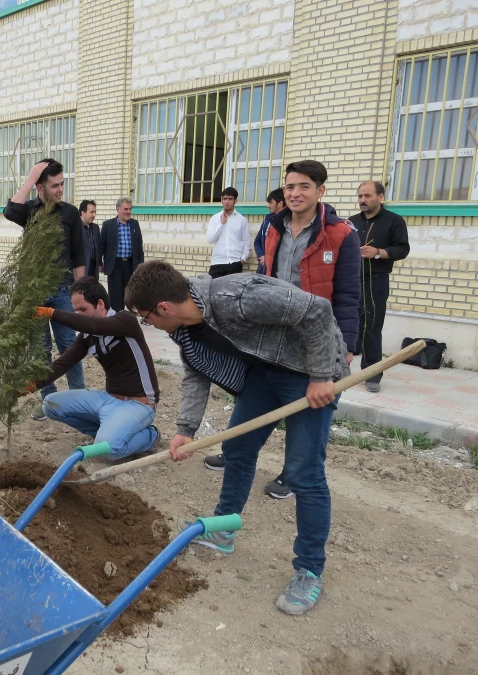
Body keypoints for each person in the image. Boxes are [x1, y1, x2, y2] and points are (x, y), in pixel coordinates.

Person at [126, 261, 348, 616]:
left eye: (146, 317)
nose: (148, 323)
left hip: (308, 371)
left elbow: (317, 311)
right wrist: (185, 429)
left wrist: (322, 375)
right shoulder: (182, 326)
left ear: (163, 308)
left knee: (304, 472)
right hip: (263, 372)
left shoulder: (237, 297)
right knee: (238, 450)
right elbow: (196, 371)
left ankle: (309, 570)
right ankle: (223, 529)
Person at [205, 161, 361, 501]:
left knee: (306, 456)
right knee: (241, 442)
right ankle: (225, 524)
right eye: (290, 187)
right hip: (272, 350)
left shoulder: (342, 235)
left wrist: (346, 346)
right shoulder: (273, 228)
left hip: (316, 353)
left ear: (320, 191)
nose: (295, 193)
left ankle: (294, 477)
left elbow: (349, 297)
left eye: (304, 186)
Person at [28, 277, 159, 459]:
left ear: (100, 304)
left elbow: (95, 324)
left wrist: (53, 313)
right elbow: (61, 364)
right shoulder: (86, 337)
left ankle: (150, 436)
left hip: (138, 404)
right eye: (75, 310)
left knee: (109, 450)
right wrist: (31, 384)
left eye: (83, 309)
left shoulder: (125, 321)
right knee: (50, 404)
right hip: (107, 399)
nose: (79, 315)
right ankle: (107, 432)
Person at [4, 159, 86, 421]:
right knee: (40, 352)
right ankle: (49, 401)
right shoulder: (28, 211)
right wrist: (30, 178)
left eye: (62, 183)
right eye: (54, 185)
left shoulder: (71, 213)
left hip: (62, 291)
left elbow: (78, 256)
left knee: (69, 348)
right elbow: (9, 210)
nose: (60, 189)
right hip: (33, 293)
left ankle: (80, 400)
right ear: (40, 188)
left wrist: (81, 296)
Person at [351, 181, 410, 393]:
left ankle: (372, 375)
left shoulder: (394, 221)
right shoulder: (351, 222)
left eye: (367, 196)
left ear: (380, 197)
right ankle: (339, 370)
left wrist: (378, 252)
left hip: (375, 280)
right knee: (346, 324)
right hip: (350, 280)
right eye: (360, 196)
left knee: (371, 328)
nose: (362, 200)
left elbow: (403, 249)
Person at [100, 198, 145, 311]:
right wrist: (99, 263)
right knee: (115, 294)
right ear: (118, 209)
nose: (128, 212)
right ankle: (116, 316)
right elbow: (101, 246)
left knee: (129, 293)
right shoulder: (108, 225)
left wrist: (141, 264)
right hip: (115, 265)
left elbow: (139, 246)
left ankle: (126, 316)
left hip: (130, 264)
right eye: (126, 209)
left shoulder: (134, 224)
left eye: (130, 209)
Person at [206, 187, 250, 278]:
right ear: (221, 201)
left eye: (230, 199)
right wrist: (221, 224)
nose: (227, 202)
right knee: (213, 291)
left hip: (235, 263)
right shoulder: (215, 219)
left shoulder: (242, 220)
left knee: (233, 292)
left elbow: (246, 243)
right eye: (224, 199)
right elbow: (210, 239)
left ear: (235, 201)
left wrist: (242, 260)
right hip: (217, 263)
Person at [253, 188, 285, 274]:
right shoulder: (267, 220)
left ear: (280, 203)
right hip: (263, 269)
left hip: (277, 271)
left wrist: (268, 259)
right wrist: (261, 256)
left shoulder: (287, 223)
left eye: (271, 202)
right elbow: (257, 241)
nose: (268, 206)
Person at [79, 199, 102, 280]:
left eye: (95, 212)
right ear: (83, 213)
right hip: (81, 268)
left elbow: (98, 248)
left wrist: (99, 264)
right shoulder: (76, 228)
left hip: (93, 268)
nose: (94, 215)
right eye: (91, 212)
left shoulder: (95, 228)